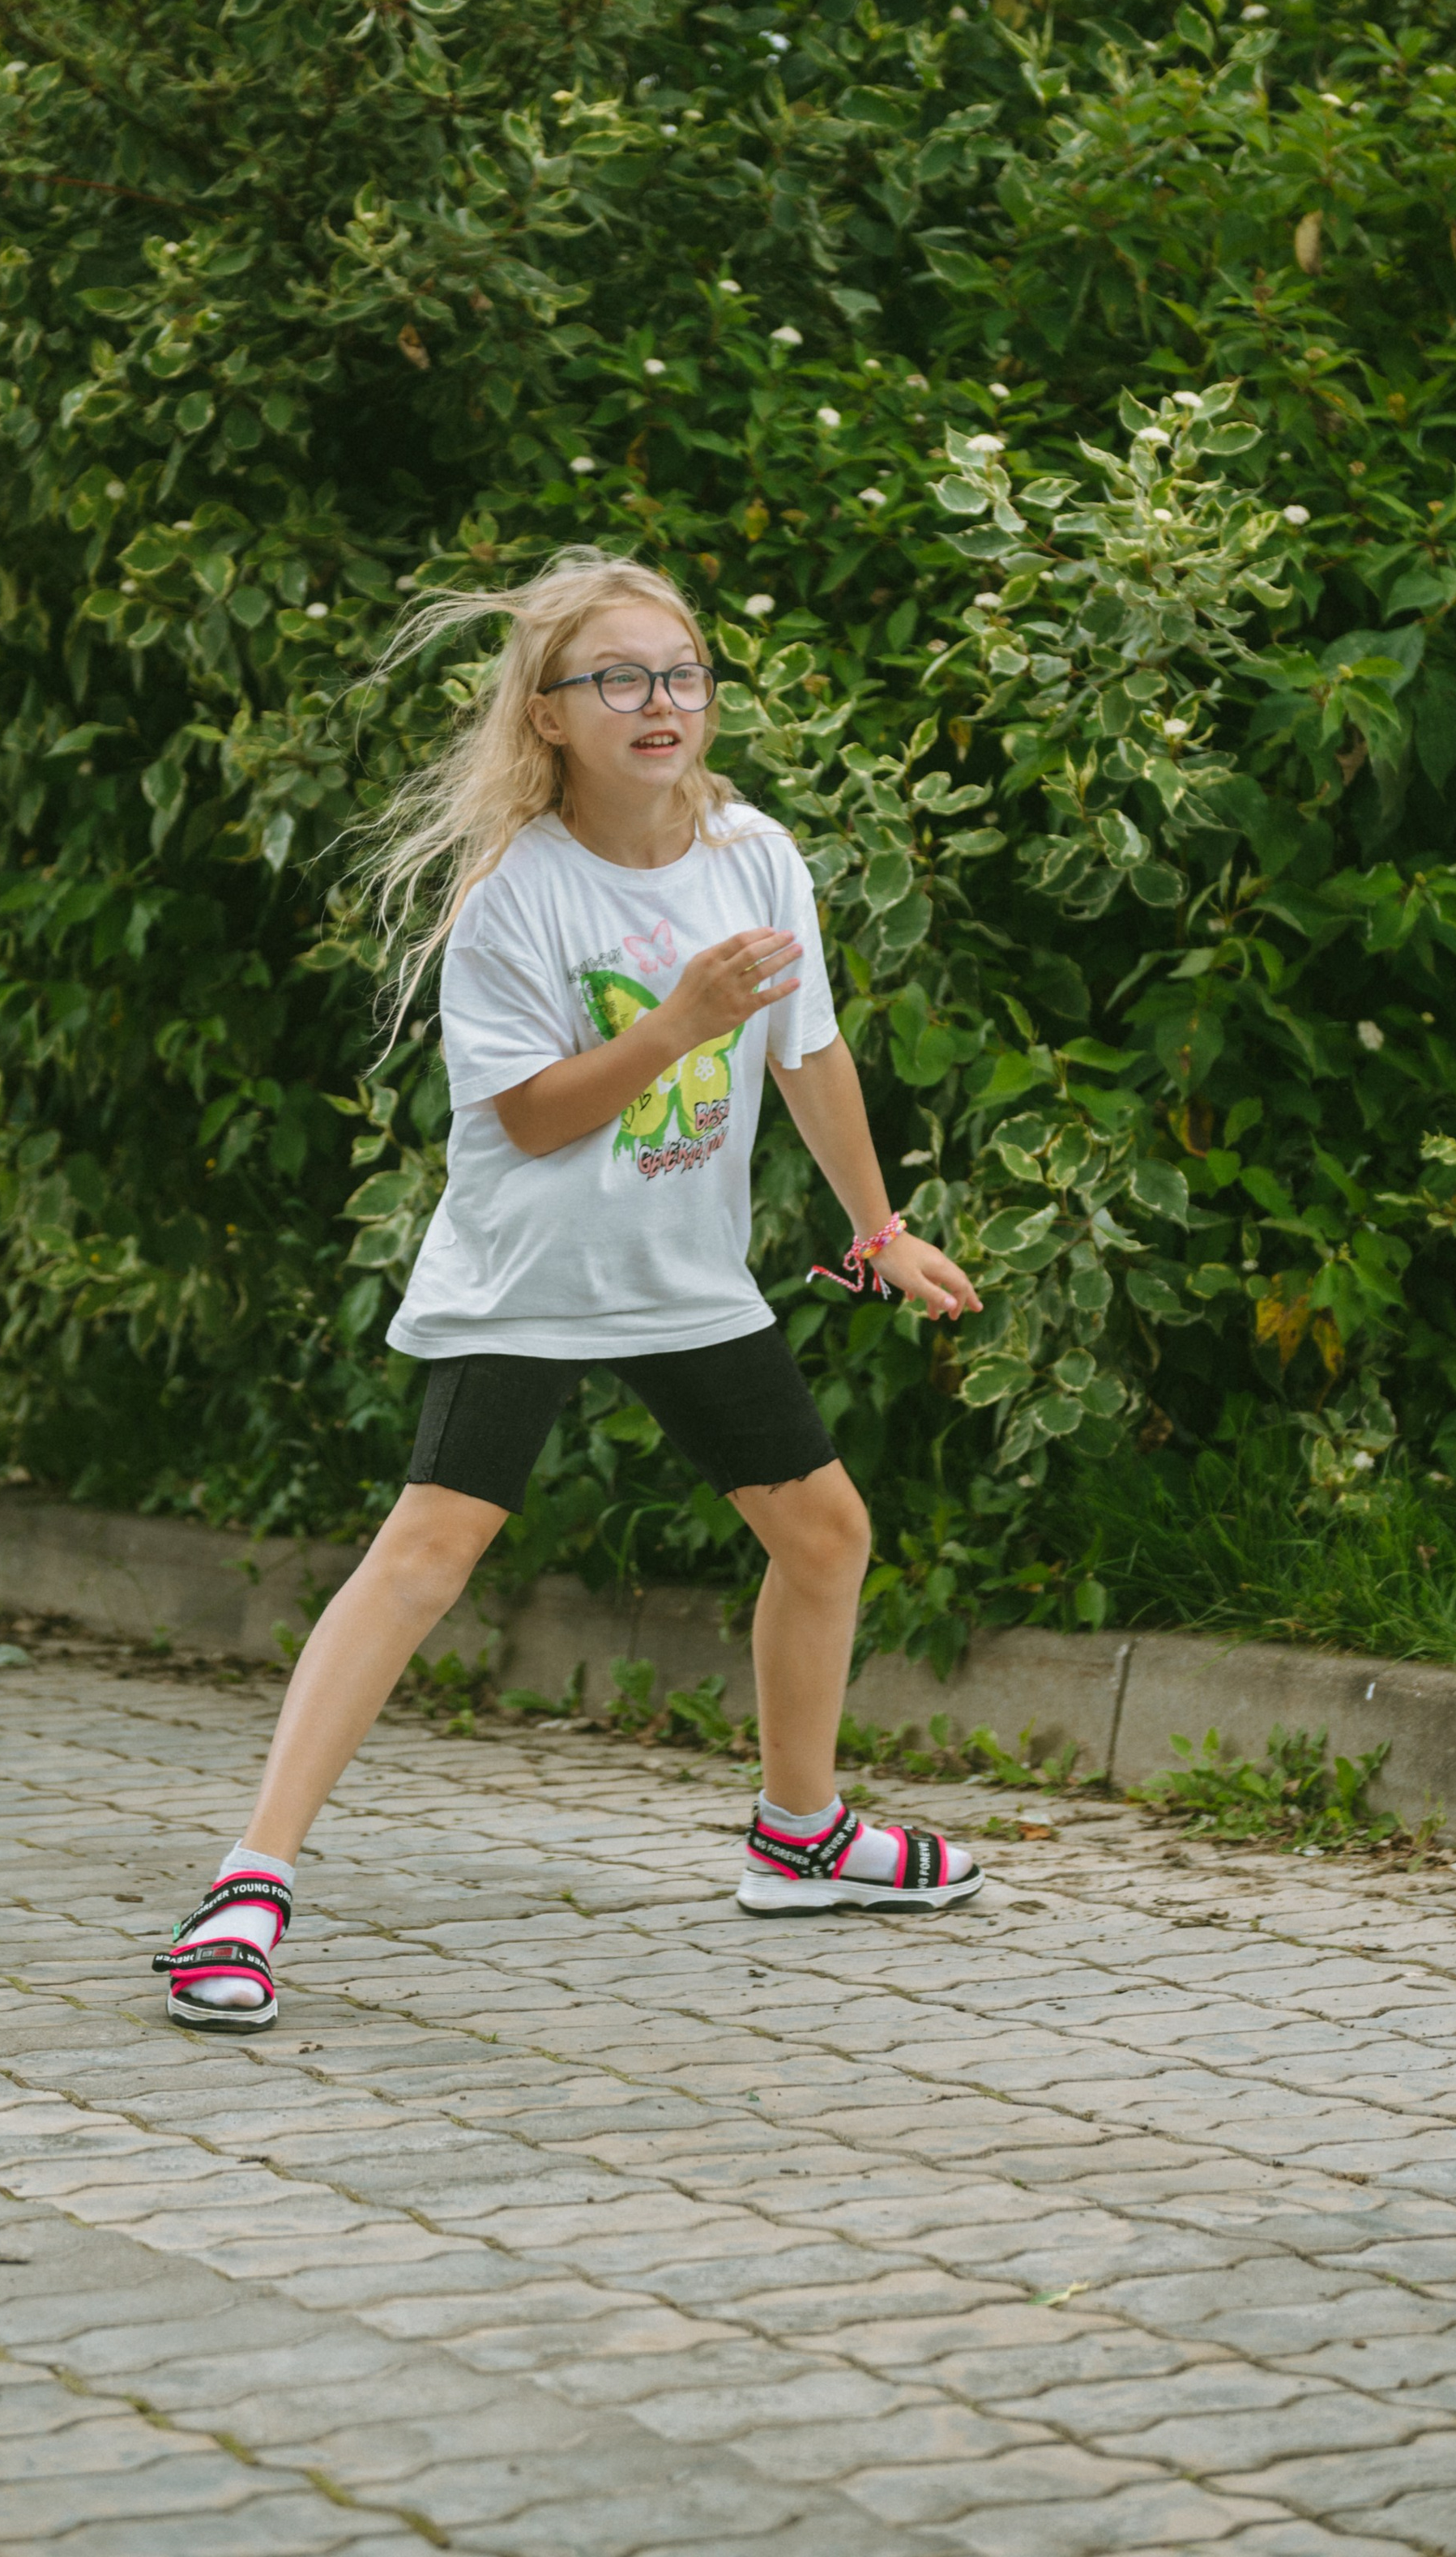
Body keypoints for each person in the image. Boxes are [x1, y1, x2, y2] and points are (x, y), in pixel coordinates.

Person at [156, 548, 985, 2033]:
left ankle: (801, 1836)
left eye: (681, 674)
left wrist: (877, 1231)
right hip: (530, 1282)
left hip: (683, 1280)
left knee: (825, 1532)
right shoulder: (515, 894)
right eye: (619, 678)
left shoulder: (755, 852)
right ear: (549, 714)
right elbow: (535, 1117)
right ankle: (246, 1890)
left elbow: (806, 1051)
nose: (660, 703)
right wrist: (678, 1022)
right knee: (423, 1560)